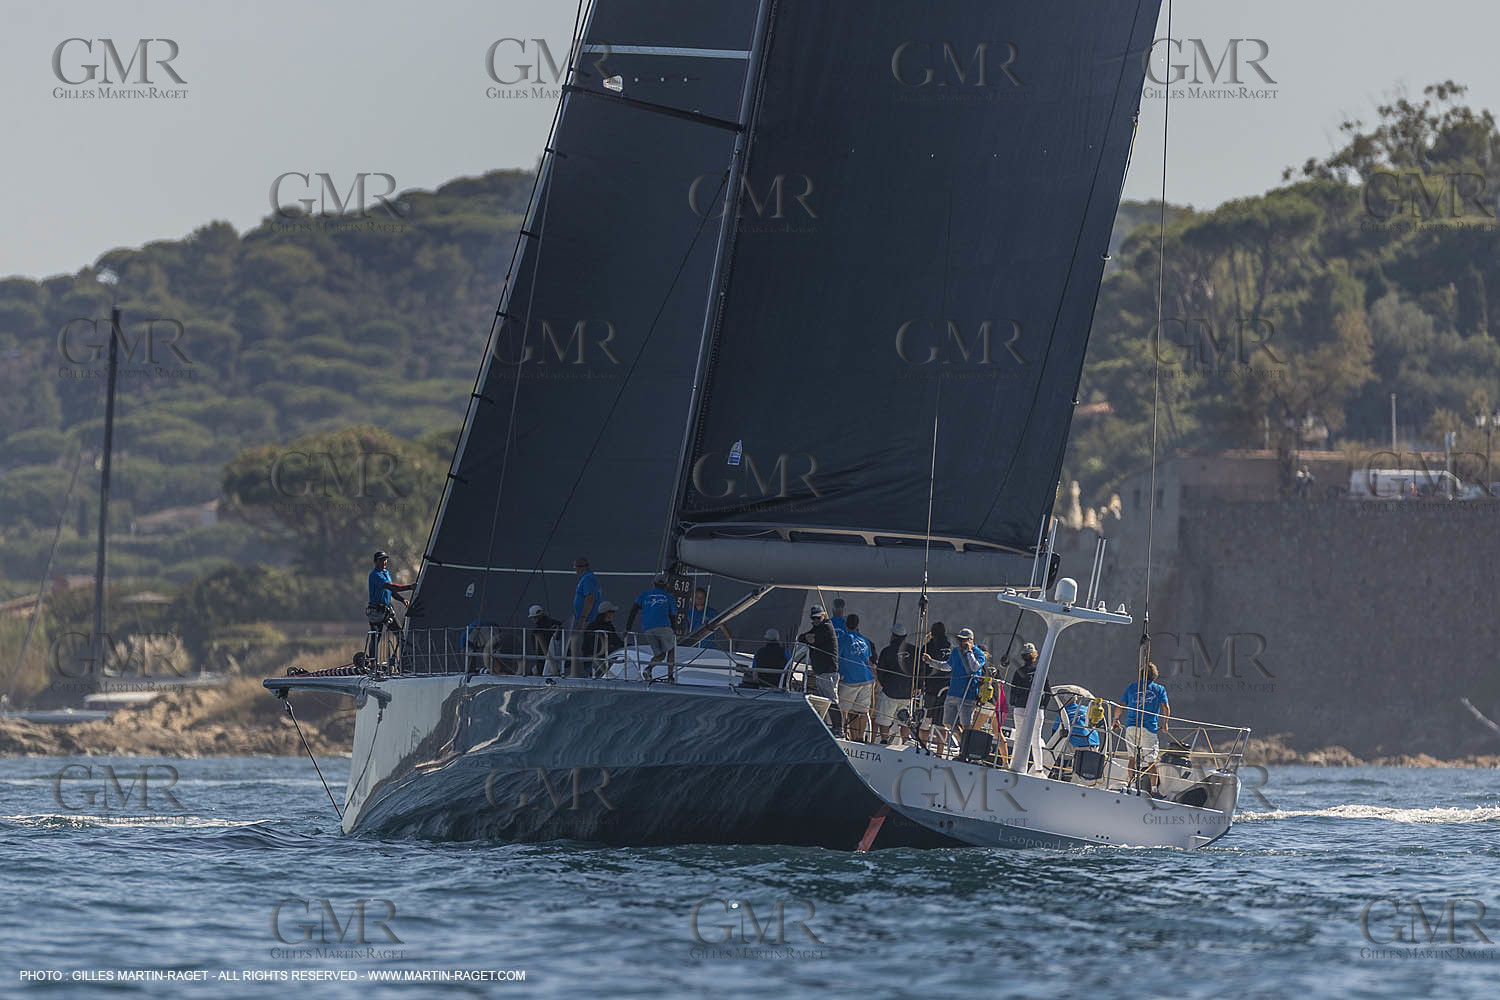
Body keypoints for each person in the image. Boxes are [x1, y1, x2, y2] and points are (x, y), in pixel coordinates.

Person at [1113, 661, 1171, 786]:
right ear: (1154, 675)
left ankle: (1131, 785)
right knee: (1152, 762)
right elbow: (1165, 707)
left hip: (1131, 727)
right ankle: (1154, 790)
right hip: (1149, 728)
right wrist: (1165, 724)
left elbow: (1121, 705)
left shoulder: (1132, 687)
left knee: (1132, 758)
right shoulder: (1159, 689)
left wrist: (1115, 720)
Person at [1007, 641, 1053, 772]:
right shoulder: (1041, 671)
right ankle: (1039, 769)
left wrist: (1013, 702)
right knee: (1036, 738)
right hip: (1037, 710)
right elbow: (1048, 691)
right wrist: (1043, 706)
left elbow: (1013, 690)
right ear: (1035, 655)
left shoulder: (1018, 672)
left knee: (1019, 737)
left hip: (1020, 707)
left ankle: (1014, 765)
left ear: (1022, 657)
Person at [938, 627, 985, 753]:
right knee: (948, 723)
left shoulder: (979, 653)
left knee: (966, 726)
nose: (960, 642)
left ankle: (966, 750)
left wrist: (969, 652)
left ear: (970, 641)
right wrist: (932, 662)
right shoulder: (955, 651)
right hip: (952, 692)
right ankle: (964, 744)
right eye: (959, 640)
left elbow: (975, 668)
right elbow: (948, 666)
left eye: (963, 640)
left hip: (968, 695)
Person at [798, 605, 842, 736]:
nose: (815, 620)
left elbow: (813, 639)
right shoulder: (818, 627)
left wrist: (809, 638)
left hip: (828, 671)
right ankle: (830, 727)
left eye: (818, 617)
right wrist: (808, 638)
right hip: (822, 671)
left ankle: (838, 730)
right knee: (825, 700)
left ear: (824, 616)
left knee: (831, 700)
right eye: (813, 618)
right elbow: (802, 637)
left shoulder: (826, 627)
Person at [626, 577, 679, 681]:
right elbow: (673, 615)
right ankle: (670, 677)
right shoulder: (669, 597)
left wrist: (627, 628)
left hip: (647, 628)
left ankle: (648, 669)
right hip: (664, 626)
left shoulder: (644, 595)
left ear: (653, 583)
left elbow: (633, 610)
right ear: (666, 585)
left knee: (660, 655)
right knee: (671, 649)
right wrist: (674, 630)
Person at [365, 551, 413, 660]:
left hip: (387, 610)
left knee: (400, 633)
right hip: (376, 612)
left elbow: (390, 591)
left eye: (385, 560)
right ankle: (372, 662)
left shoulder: (386, 573)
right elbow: (391, 586)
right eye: (381, 560)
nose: (384, 562)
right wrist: (410, 587)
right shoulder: (375, 575)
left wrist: (402, 599)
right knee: (376, 637)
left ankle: (404, 659)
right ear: (376, 562)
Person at [836, 613, 876, 741]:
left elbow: (835, 658)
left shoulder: (842, 640)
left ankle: (843, 733)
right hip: (867, 679)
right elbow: (868, 658)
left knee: (843, 709)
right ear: (858, 625)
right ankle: (859, 737)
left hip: (850, 680)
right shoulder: (865, 640)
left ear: (845, 624)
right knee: (862, 711)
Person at [874, 623, 916, 744]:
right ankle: (904, 743)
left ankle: (884, 741)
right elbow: (920, 669)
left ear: (893, 636)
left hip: (890, 692)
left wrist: (884, 684)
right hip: (907, 693)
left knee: (884, 719)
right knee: (905, 721)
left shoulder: (887, 651)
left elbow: (880, 671)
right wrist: (917, 687)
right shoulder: (914, 650)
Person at [917, 622, 953, 751]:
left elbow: (921, 668)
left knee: (926, 720)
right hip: (947, 689)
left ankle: (924, 748)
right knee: (941, 723)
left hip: (931, 689)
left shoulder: (928, 647)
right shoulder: (951, 647)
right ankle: (940, 752)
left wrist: (919, 685)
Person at [568, 556, 603, 677]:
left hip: (587, 619)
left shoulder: (588, 579)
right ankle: (586, 671)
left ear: (583, 567)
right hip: (587, 619)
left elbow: (590, 598)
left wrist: (583, 618)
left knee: (584, 646)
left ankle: (587, 672)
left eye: (576, 567)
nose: (575, 570)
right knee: (585, 645)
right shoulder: (588, 578)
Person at [526, 604, 564, 676]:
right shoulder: (557, 624)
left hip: (544, 662)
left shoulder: (537, 632)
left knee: (533, 674)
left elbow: (538, 651)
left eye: (533, 618)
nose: (533, 620)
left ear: (537, 617)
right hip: (559, 658)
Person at [584, 600, 624, 667]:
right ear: (607, 613)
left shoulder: (609, 626)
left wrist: (626, 645)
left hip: (606, 658)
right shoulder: (593, 627)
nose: (614, 614)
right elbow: (593, 646)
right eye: (612, 612)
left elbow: (616, 641)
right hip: (594, 661)